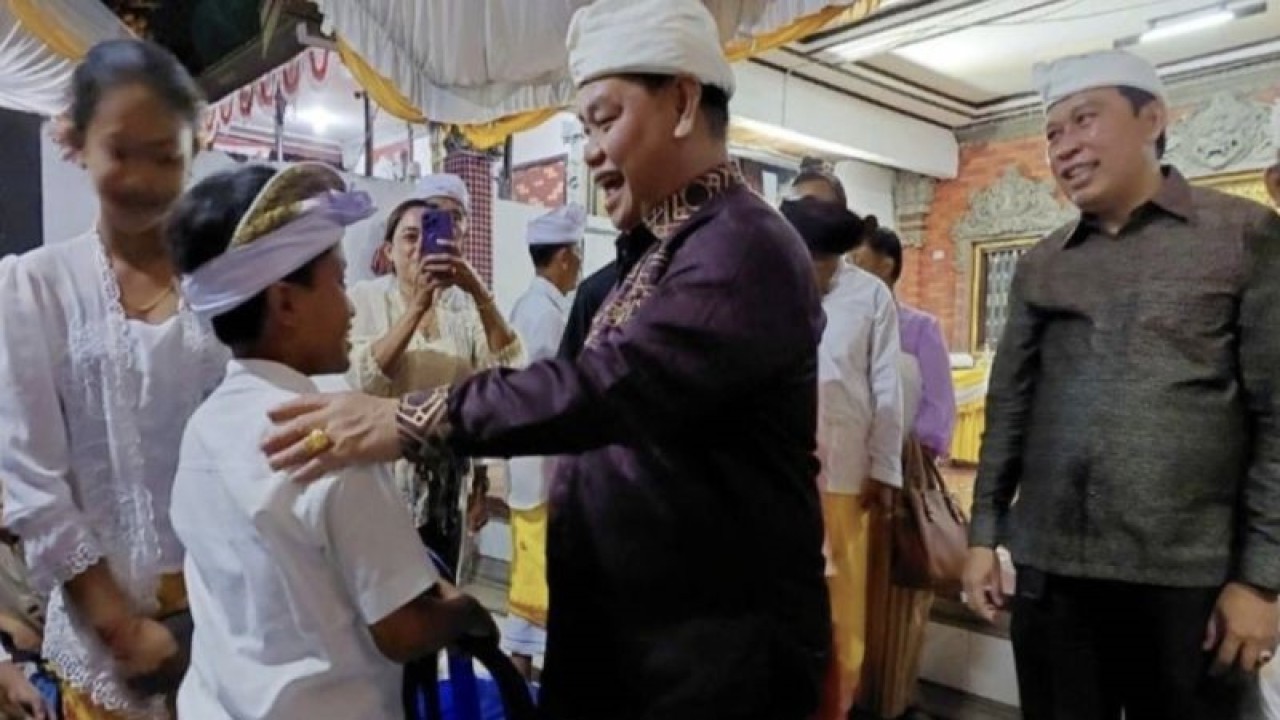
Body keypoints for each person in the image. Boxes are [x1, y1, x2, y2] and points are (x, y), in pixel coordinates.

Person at [259, 1, 832, 717]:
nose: (590, 150)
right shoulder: (663, 248)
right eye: (584, 127)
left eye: (604, 119)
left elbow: (608, 388)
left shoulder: (741, 246)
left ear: (682, 102)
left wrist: (403, 420)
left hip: (710, 662)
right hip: (637, 641)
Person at [963, 49, 1280, 720]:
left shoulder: (1243, 237)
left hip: (1189, 581)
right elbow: (1009, 408)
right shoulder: (1043, 265)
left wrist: (1261, 580)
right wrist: (984, 536)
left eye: (1085, 120)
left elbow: (1276, 417)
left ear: (1152, 119)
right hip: (1053, 574)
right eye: (1053, 134)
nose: (1065, 147)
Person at [166, 162, 495, 719]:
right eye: (338, 282)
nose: (348, 306)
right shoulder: (329, 439)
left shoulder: (203, 427)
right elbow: (403, 628)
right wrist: (467, 614)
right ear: (285, 303)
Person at [0, 39, 228, 719]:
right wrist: (121, 627)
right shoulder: (35, 287)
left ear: (197, 147)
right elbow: (32, 481)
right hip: (113, 633)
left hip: (233, 613)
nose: (144, 179)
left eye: (167, 156)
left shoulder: (224, 284)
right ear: (74, 143)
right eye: (120, 151)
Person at [346, 174, 524, 574]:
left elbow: (509, 375)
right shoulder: (365, 300)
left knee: (441, 592)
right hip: (383, 484)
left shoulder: (462, 310)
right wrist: (417, 306)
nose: (419, 249)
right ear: (388, 250)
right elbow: (364, 380)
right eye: (410, 238)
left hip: (449, 485)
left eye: (429, 236)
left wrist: (479, 292)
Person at [779, 198, 902, 720]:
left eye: (824, 259)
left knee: (844, 609)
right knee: (786, 600)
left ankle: (840, 706)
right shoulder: (771, 286)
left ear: (840, 256)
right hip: (784, 473)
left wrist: (884, 469)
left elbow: (886, 387)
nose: (815, 270)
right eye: (807, 256)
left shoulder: (870, 297)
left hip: (847, 477)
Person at [851, 227, 951, 719]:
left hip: (904, 472)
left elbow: (938, 408)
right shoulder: (845, 320)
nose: (848, 262)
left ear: (887, 264)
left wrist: (903, 452)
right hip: (851, 470)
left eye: (857, 254)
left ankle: (894, 695)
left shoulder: (918, 327)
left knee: (898, 586)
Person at [503, 204, 586, 678]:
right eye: (574, 254)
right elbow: (543, 393)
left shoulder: (533, 305)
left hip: (535, 468)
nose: (576, 263)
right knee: (534, 592)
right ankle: (522, 686)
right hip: (542, 470)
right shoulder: (545, 314)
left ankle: (524, 682)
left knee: (533, 589)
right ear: (563, 258)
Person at [852, 229, 956, 461]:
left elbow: (939, 402)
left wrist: (913, 451)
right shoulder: (840, 324)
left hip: (902, 459)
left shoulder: (921, 328)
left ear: (886, 266)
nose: (849, 272)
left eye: (857, 261)